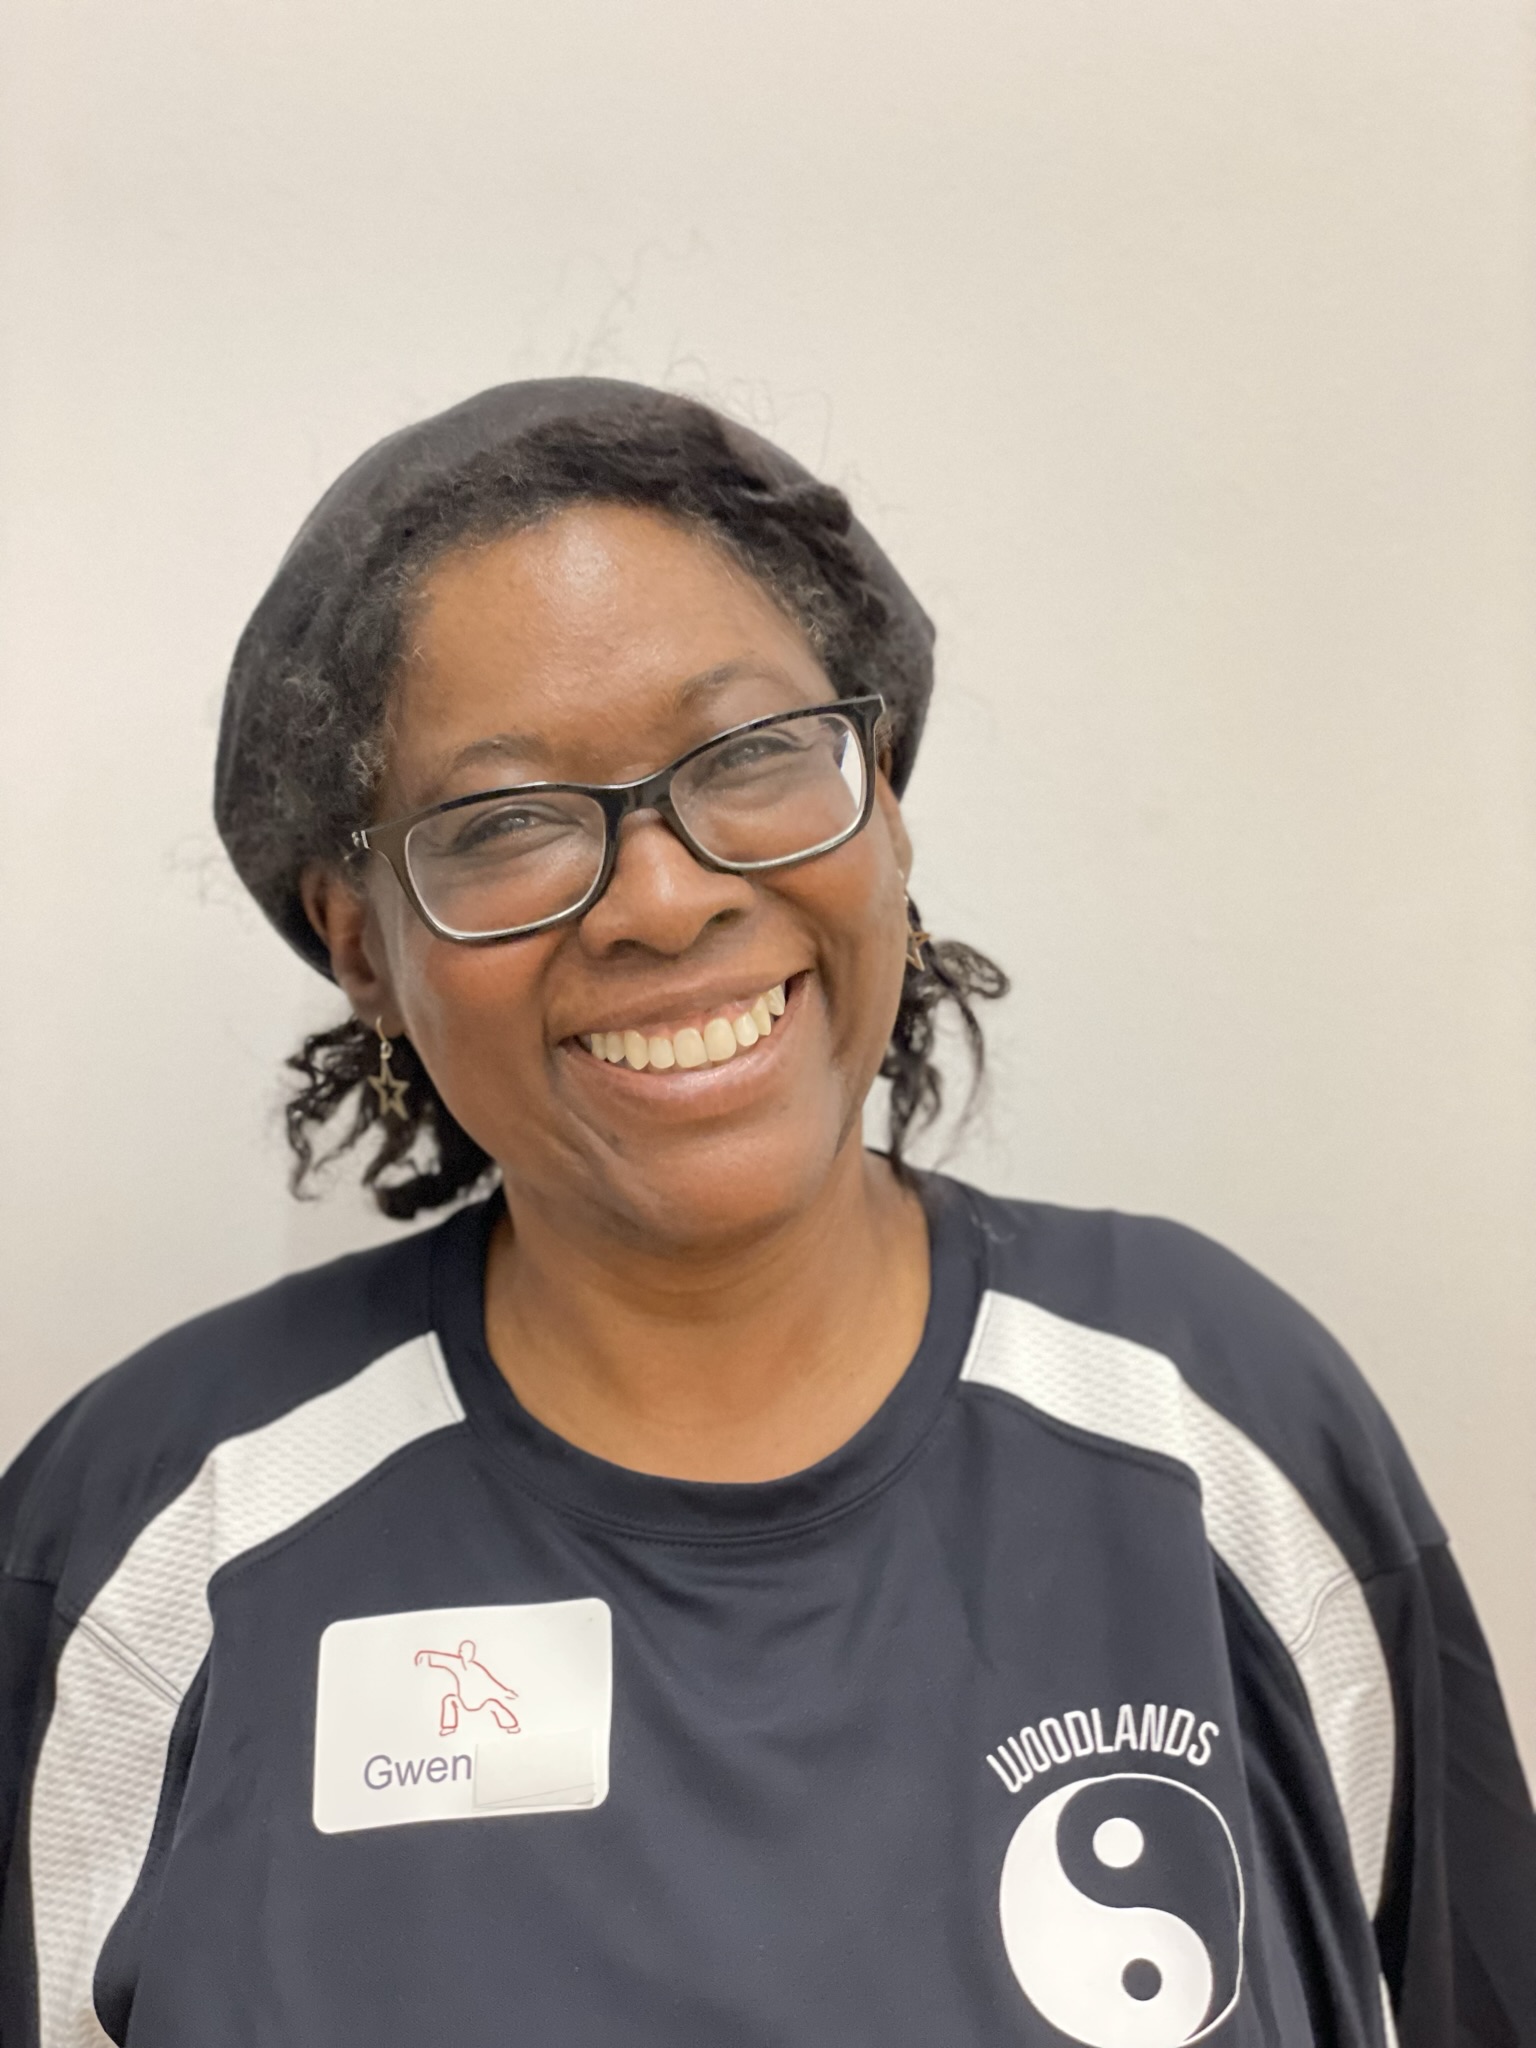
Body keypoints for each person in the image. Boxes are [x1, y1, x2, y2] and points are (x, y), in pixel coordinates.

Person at [0, 380, 1530, 2047]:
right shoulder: (150, 1540)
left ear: (883, 797)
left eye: (748, 758)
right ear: (365, 945)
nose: (663, 900)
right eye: (506, 822)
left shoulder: (1222, 1425)